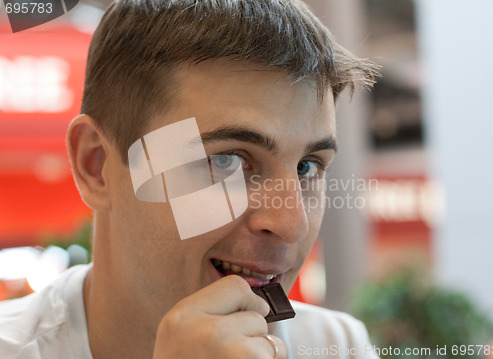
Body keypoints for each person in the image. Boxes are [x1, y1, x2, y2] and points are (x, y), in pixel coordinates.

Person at [0, 0, 380, 358]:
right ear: (97, 165)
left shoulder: (338, 345)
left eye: (307, 167)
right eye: (228, 160)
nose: (292, 225)